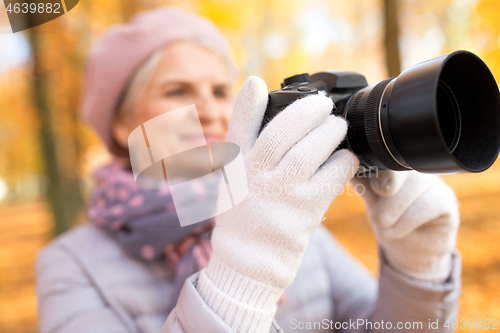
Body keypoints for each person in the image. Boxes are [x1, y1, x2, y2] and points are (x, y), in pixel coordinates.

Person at [35, 7, 461, 333]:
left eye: (222, 91)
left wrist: (416, 267)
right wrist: (238, 277)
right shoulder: (70, 265)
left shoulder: (291, 223)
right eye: (177, 90)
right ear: (123, 122)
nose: (210, 110)